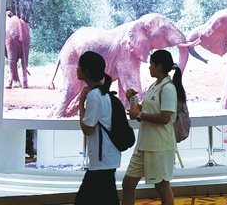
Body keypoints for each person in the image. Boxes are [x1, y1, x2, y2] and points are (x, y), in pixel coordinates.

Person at [122, 50, 178, 205]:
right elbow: (147, 111)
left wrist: (139, 115)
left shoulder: (168, 88)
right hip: (144, 145)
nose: (149, 68)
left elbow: (165, 118)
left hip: (159, 146)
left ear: (159, 66)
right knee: (127, 184)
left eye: (151, 64)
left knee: (162, 186)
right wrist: (132, 100)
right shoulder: (155, 85)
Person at [76, 51, 120, 205]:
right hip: (107, 157)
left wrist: (81, 104)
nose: (77, 69)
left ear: (87, 71)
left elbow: (87, 129)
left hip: (102, 159)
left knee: (84, 200)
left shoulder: (94, 96)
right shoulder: (103, 93)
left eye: (79, 66)